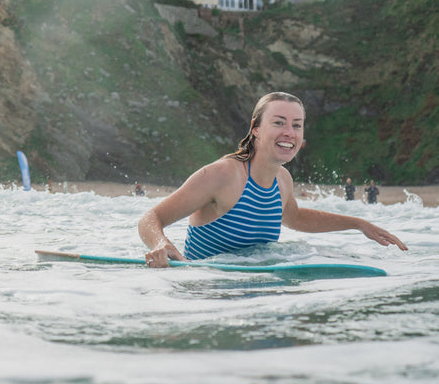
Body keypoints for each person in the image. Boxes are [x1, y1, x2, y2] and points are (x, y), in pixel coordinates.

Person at [138, 92, 407, 267]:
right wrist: (161, 244)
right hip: (206, 293)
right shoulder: (222, 175)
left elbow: (296, 218)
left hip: (260, 294)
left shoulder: (282, 180)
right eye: (278, 123)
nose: (289, 132)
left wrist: (358, 224)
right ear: (255, 128)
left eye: (296, 125)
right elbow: (150, 218)